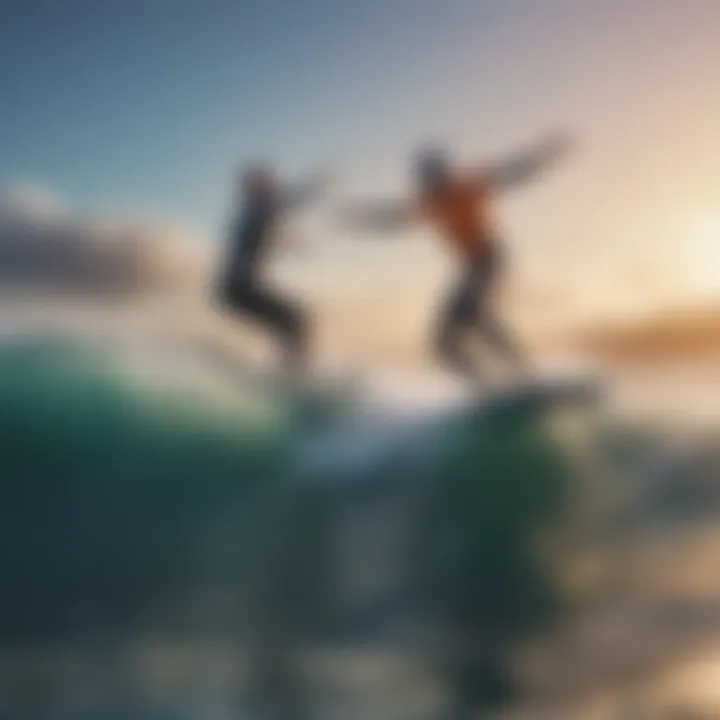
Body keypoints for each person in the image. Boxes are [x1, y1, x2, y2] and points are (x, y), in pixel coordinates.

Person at [340, 132, 574, 383]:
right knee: (443, 342)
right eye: (426, 179)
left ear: (443, 172)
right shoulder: (429, 203)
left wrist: (545, 154)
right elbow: (392, 217)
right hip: (469, 267)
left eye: (434, 177)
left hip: (489, 257)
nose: (432, 185)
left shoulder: (468, 185)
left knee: (474, 313)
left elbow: (513, 171)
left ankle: (523, 372)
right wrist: (360, 218)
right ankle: (482, 386)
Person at [215, 163, 330, 378]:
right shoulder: (259, 209)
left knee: (292, 323)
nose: (275, 187)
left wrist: (296, 244)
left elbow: (261, 237)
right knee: (297, 321)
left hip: (234, 288)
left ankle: (287, 373)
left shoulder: (251, 214)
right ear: (259, 189)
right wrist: (317, 183)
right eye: (269, 185)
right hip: (240, 287)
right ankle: (292, 377)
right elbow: (289, 201)